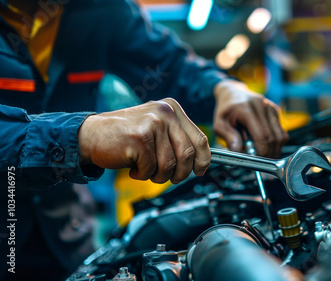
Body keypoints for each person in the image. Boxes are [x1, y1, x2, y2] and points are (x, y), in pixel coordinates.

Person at [0, 0, 288, 280]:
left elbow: (168, 67)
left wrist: (222, 88)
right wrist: (82, 135)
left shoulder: (98, 8)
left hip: (65, 239)